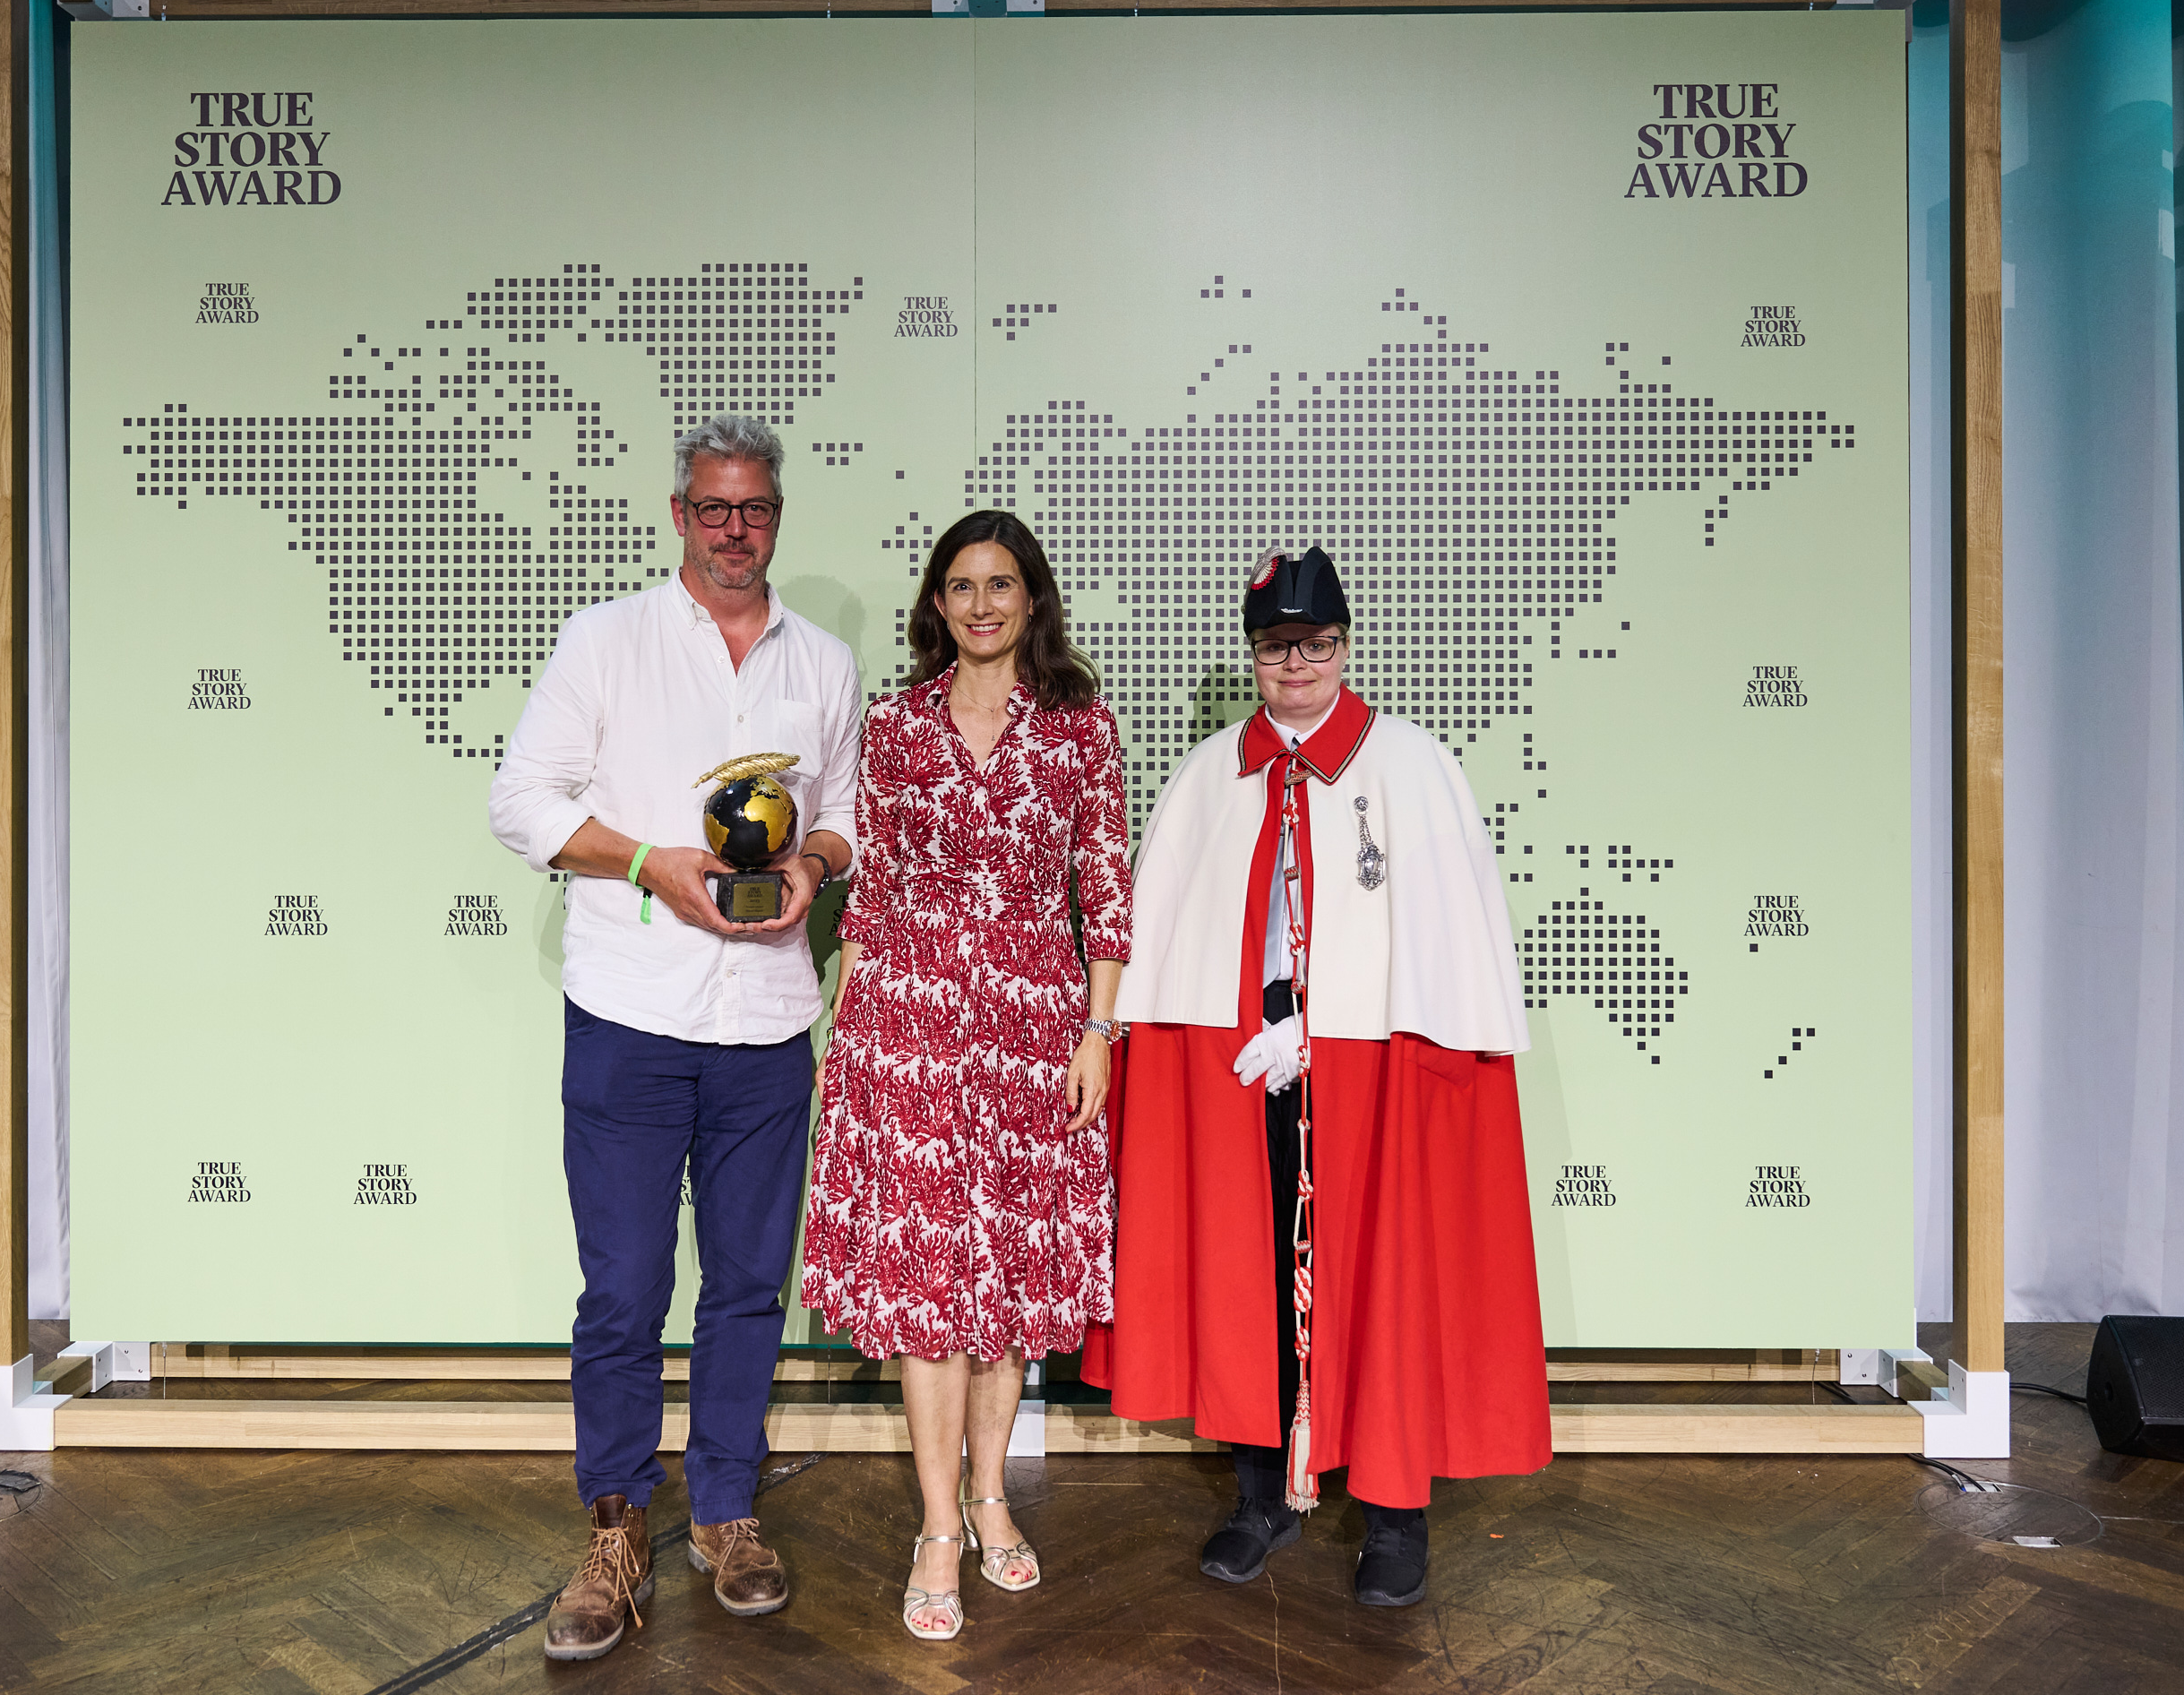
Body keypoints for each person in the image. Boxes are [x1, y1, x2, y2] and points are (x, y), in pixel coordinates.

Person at [1083, 544, 1550, 1608]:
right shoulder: (1209, 776)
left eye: (1317, 644)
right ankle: (1263, 1495)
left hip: (1374, 1068)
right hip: (1241, 1066)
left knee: (1384, 1270)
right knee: (1250, 1272)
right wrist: (1258, 1023)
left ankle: (1393, 1513)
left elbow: (1446, 943)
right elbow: (1176, 935)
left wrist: (1332, 1026)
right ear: (1253, 653)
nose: (1296, 665)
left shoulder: (1414, 767)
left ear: (1345, 646)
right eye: (1276, 647)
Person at [487, 415, 863, 1661]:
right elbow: (519, 801)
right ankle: (614, 1532)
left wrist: (814, 862)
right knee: (625, 1290)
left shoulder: (823, 663)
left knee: (748, 1287)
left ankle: (725, 1513)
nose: (734, 529)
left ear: (777, 517)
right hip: (630, 1019)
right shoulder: (605, 640)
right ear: (678, 514)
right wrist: (651, 860)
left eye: (754, 509)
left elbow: (848, 812)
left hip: (768, 1021)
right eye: (713, 507)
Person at [800, 509, 1132, 1643]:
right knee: (929, 1282)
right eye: (960, 585)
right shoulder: (896, 725)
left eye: (1000, 583)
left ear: (1031, 597)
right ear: (936, 605)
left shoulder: (1082, 728)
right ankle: (939, 1524)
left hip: (1036, 1029)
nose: (981, 603)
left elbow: (1105, 890)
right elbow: (876, 887)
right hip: (909, 1026)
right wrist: (848, 1020)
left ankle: (992, 1492)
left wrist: (1099, 1031)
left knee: (1008, 1286)